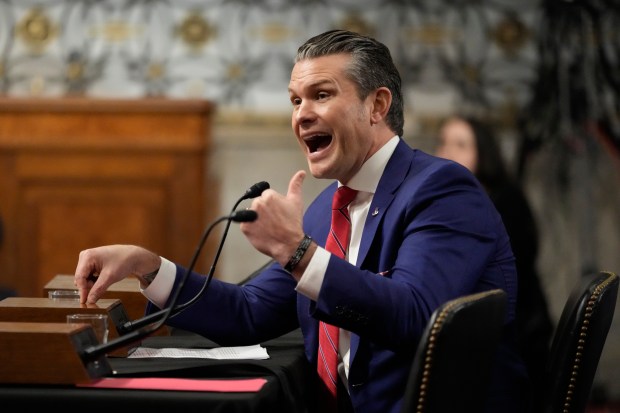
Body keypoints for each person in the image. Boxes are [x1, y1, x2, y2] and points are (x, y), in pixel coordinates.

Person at [74, 30, 528, 413]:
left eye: (321, 95)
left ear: (377, 105)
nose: (301, 114)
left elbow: (416, 317)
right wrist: (147, 265)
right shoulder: (326, 207)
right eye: (295, 100)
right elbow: (248, 312)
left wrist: (297, 252)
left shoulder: (442, 190)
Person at [436, 114, 553, 412]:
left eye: (460, 144)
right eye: (443, 143)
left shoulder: (505, 200)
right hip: (479, 332)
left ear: (483, 153)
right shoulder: (446, 202)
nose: (447, 152)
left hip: (514, 337)